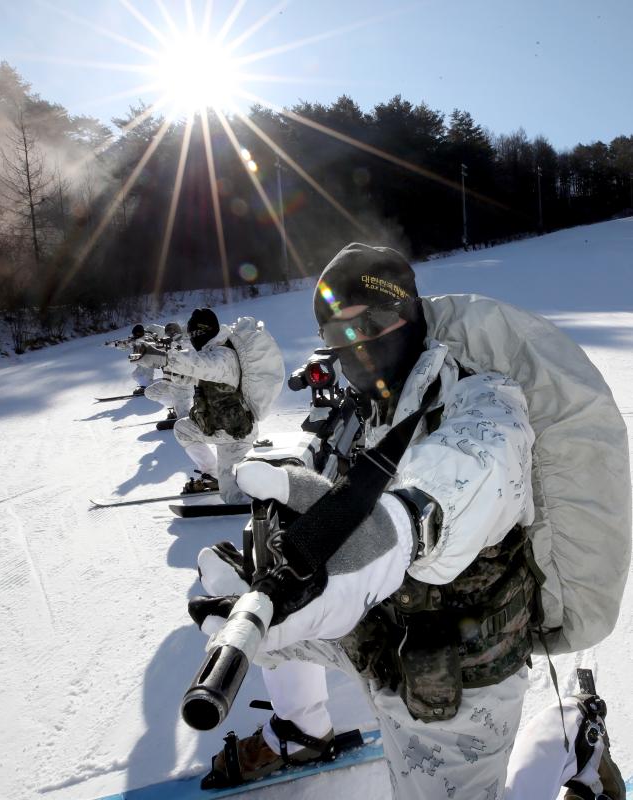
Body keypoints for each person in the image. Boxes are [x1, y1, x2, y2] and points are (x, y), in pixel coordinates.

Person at [191, 243, 625, 799]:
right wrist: (269, 591)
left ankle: (573, 742)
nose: (359, 345)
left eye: (372, 321)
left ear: (410, 315)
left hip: (462, 682)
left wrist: (401, 525)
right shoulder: (366, 408)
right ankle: (302, 726)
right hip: (382, 647)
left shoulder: (479, 392)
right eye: (340, 334)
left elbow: (480, 461)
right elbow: (329, 489)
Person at [166, 308, 285, 501]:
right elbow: (200, 376)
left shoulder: (222, 355)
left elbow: (204, 367)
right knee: (182, 429)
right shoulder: (210, 353)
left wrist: (168, 358)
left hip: (235, 434)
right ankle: (212, 474)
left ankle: (266, 500)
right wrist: (176, 375)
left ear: (202, 332)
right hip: (215, 427)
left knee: (234, 498)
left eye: (194, 334)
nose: (193, 338)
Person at [142, 322, 195, 427]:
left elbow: (186, 348)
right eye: (169, 332)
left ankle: (184, 414)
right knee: (150, 392)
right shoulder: (166, 344)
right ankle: (175, 408)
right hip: (168, 382)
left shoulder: (186, 342)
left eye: (173, 331)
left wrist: (171, 344)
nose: (171, 333)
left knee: (183, 421)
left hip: (183, 384)